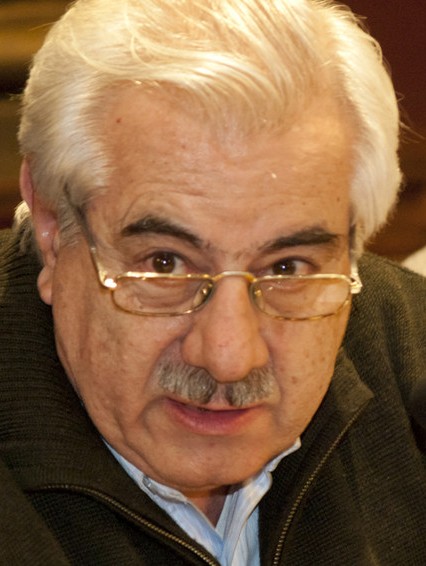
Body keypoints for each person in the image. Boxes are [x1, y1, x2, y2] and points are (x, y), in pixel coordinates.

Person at [1, 0, 425, 564]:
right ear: (53, 226)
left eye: (286, 268)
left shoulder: (411, 352)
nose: (229, 358)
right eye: (165, 264)